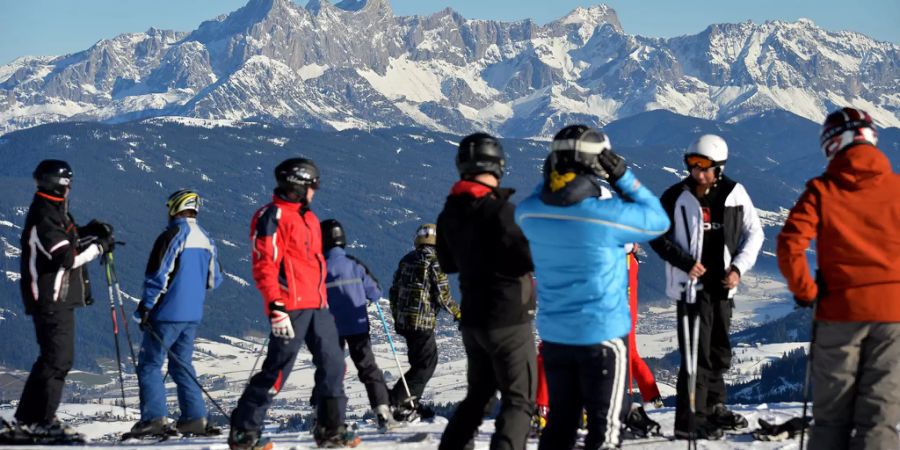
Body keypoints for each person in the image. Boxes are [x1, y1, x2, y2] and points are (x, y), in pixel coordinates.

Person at [516, 125, 670, 450]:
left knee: (560, 428)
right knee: (605, 432)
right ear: (595, 166)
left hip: (556, 338)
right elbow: (657, 220)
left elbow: (534, 199)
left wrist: (552, 174)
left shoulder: (532, 214)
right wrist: (623, 176)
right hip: (602, 339)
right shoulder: (604, 216)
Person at [777, 107, 900, 450]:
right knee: (880, 416)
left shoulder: (822, 190)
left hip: (839, 312)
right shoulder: (897, 188)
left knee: (832, 417)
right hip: (893, 315)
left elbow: (790, 243)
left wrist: (806, 291)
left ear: (833, 145)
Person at [229, 158, 359, 449]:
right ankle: (244, 430)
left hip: (318, 304)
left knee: (334, 364)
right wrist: (275, 306)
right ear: (298, 185)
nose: (316, 190)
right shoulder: (271, 216)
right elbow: (264, 265)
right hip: (291, 306)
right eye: (313, 185)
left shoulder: (309, 218)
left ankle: (331, 429)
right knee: (278, 368)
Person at [648, 134, 763, 439]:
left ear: (719, 168)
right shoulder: (676, 196)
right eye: (692, 165)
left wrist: (739, 267)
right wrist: (684, 262)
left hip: (723, 287)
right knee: (694, 357)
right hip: (690, 289)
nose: (697, 172)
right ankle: (690, 421)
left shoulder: (735, 193)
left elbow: (755, 234)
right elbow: (655, 235)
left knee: (719, 352)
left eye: (705, 167)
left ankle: (715, 408)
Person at [436, 133, 537, 450]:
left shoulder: (448, 213)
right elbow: (532, 256)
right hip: (509, 318)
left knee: (478, 396)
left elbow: (448, 263)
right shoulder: (502, 213)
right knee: (519, 401)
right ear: (498, 165)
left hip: (473, 321)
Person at [13, 160, 114, 440]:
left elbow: (67, 241)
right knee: (59, 359)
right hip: (51, 298)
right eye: (69, 184)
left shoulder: (52, 211)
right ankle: (42, 421)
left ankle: (28, 419)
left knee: (52, 358)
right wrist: (98, 247)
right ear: (62, 186)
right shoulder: (45, 216)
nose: (70, 189)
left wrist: (88, 231)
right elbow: (66, 258)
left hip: (54, 297)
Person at [128, 189, 223, 437]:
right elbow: (215, 280)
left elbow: (158, 276)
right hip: (192, 314)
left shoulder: (173, 235)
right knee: (182, 365)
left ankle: (154, 420)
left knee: (150, 364)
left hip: (166, 314)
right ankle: (194, 418)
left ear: (174, 208)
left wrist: (145, 308)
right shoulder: (206, 237)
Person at [319, 218, 400, 432]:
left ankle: (327, 418)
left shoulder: (319, 267)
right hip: (358, 326)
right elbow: (375, 292)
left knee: (331, 371)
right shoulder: (354, 264)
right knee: (368, 367)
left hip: (331, 328)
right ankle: (382, 411)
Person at [387, 222, 461, 420]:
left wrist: (397, 315)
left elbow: (393, 291)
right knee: (426, 364)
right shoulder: (436, 261)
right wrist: (458, 313)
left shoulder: (406, 260)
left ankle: (409, 402)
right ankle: (397, 401)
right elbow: (443, 296)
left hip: (405, 322)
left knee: (418, 362)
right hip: (423, 322)